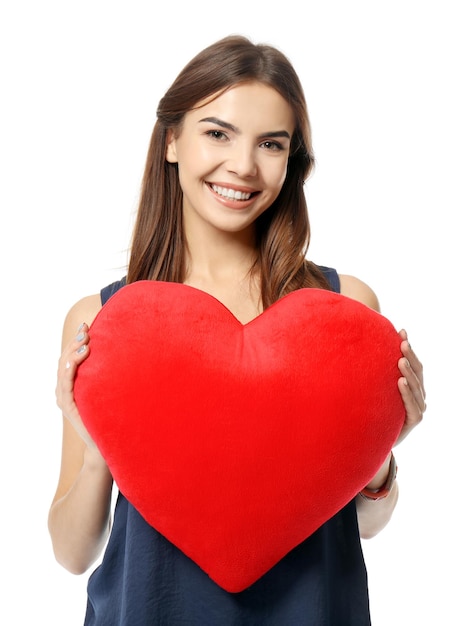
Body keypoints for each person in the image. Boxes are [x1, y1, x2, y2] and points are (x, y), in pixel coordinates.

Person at [49, 35, 426, 625]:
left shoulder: (343, 309)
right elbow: (72, 553)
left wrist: (381, 447)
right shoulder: (104, 323)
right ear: (172, 140)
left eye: (270, 144)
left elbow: (366, 525)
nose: (243, 166)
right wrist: (96, 437)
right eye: (217, 133)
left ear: (292, 160)